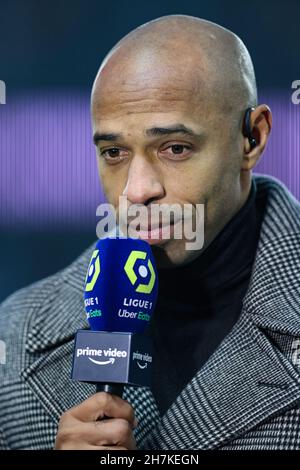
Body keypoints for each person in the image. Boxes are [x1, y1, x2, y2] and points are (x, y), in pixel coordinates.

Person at [1, 14, 300, 450]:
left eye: (175, 148)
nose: (137, 191)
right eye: (114, 152)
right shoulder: (17, 334)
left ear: (251, 139)